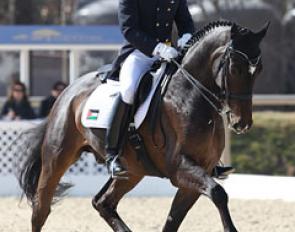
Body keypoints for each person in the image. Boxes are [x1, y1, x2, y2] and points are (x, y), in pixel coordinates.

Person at [106, 0, 233, 178]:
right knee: (128, 90)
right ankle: (113, 155)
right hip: (139, 53)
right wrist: (156, 48)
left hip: (170, 52)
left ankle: (209, 159)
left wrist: (186, 36)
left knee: (196, 86)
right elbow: (129, 29)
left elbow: (185, 21)